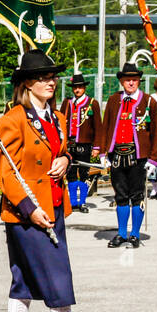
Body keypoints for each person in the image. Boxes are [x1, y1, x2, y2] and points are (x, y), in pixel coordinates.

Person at [0, 49, 101, 312]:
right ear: (27, 83)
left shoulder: (57, 117)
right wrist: (29, 209)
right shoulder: (11, 120)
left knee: (23, 279)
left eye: (53, 76)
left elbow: (63, 151)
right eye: (43, 77)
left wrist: (65, 160)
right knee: (58, 276)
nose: (51, 82)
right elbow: (5, 171)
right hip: (29, 213)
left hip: (53, 205)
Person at [99, 61, 157, 248]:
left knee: (136, 195)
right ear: (122, 82)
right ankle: (121, 234)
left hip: (139, 156)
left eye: (134, 80)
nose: (131, 83)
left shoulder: (149, 101)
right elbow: (106, 127)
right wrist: (104, 153)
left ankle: (134, 234)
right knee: (120, 195)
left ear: (139, 81)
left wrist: (153, 158)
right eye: (128, 80)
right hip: (117, 154)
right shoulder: (113, 100)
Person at [61, 72, 99, 212]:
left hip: (85, 143)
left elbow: (97, 126)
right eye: (75, 87)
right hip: (70, 143)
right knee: (70, 172)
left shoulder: (92, 103)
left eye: (80, 87)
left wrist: (97, 146)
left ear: (84, 88)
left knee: (84, 173)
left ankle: (82, 202)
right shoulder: (67, 103)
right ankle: (73, 202)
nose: (77, 90)